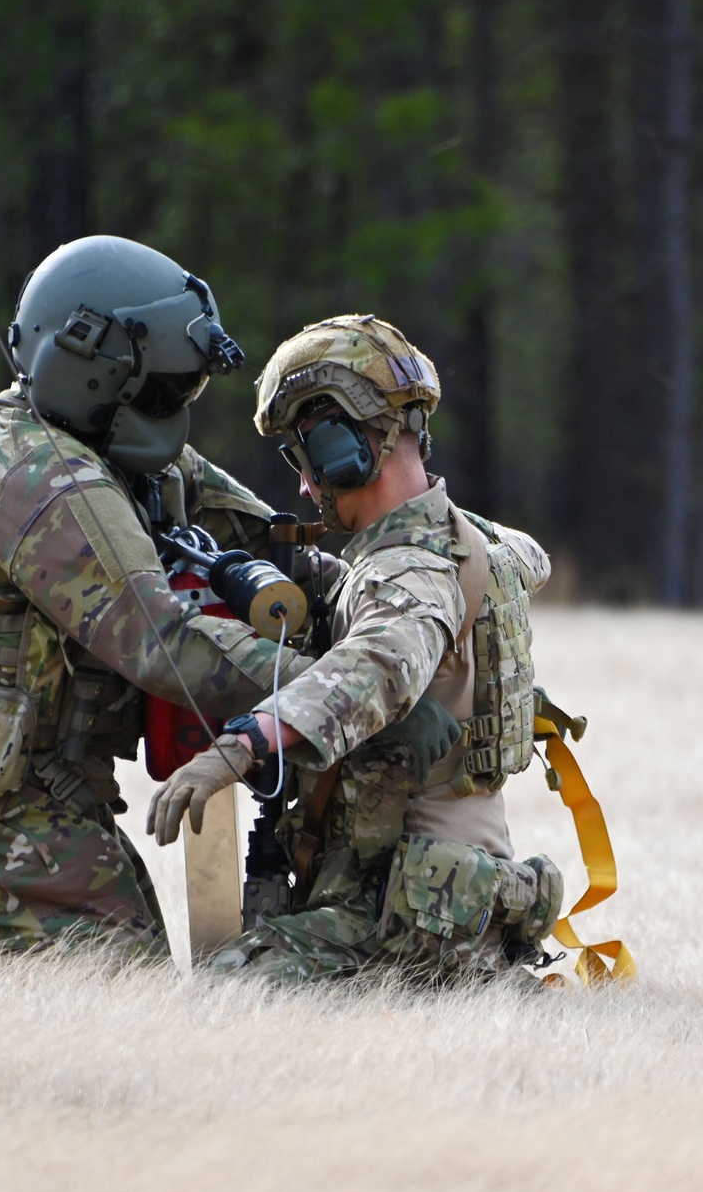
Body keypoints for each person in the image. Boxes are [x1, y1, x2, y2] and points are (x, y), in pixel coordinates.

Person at [0, 235, 330, 958]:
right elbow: (165, 643)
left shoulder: (126, 455)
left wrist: (413, 596)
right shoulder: (26, 472)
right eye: (166, 389)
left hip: (35, 785)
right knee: (116, 991)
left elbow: (271, 539)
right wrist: (350, 697)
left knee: (111, 982)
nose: (177, 409)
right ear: (94, 373)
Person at [149, 315, 564, 985]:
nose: (308, 485)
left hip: (407, 918)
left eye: (305, 456)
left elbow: (382, 660)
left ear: (345, 447)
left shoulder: (407, 572)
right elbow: (506, 567)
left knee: (228, 986)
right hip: (446, 899)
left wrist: (243, 745)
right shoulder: (483, 544)